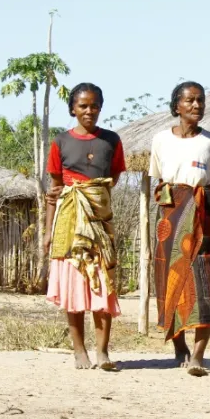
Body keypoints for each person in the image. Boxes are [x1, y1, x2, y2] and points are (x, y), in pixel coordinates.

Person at [149, 81, 210, 377]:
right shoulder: (160, 140)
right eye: (190, 101)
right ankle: (179, 346)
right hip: (171, 217)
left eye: (201, 100)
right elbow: (156, 183)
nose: (196, 106)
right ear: (176, 106)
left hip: (205, 215)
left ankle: (198, 355)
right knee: (171, 281)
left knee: (207, 281)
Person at [44, 82, 124, 370]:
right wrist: (47, 232)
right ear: (72, 109)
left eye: (94, 105)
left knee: (103, 280)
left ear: (101, 107)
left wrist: (90, 195)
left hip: (99, 220)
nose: (89, 111)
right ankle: (79, 350)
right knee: (73, 284)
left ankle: (102, 352)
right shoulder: (60, 142)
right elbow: (54, 190)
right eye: (83, 106)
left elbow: (111, 180)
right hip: (69, 220)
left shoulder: (112, 141)